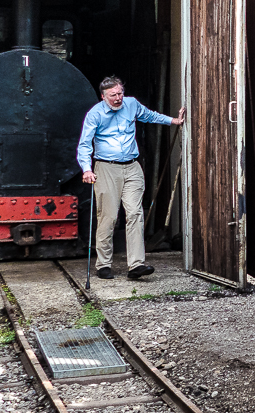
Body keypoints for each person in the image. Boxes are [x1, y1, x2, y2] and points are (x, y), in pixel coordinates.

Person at [77, 76, 185, 280]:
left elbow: (149, 116)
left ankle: (136, 265)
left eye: (120, 93)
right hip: (106, 168)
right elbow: (84, 144)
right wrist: (86, 169)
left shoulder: (131, 104)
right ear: (103, 96)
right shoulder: (95, 114)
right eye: (113, 95)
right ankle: (103, 264)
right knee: (108, 217)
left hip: (132, 167)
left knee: (135, 213)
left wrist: (174, 121)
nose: (118, 98)